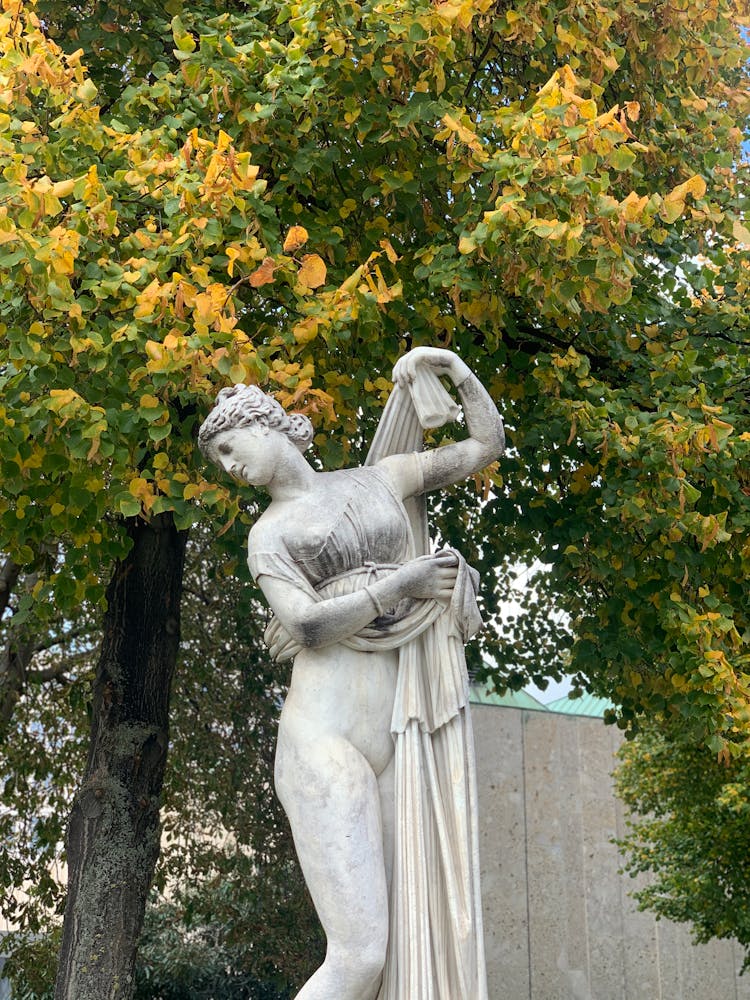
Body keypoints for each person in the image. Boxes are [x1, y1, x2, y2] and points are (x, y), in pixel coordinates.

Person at [198, 346, 504, 1000]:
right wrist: (406, 581)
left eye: (230, 447)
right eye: (219, 460)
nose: (229, 467)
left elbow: (485, 444)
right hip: (323, 739)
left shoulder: (381, 479)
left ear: (265, 424)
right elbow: (306, 624)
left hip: (401, 733)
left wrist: (453, 369)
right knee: (361, 955)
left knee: (404, 948)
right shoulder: (269, 536)